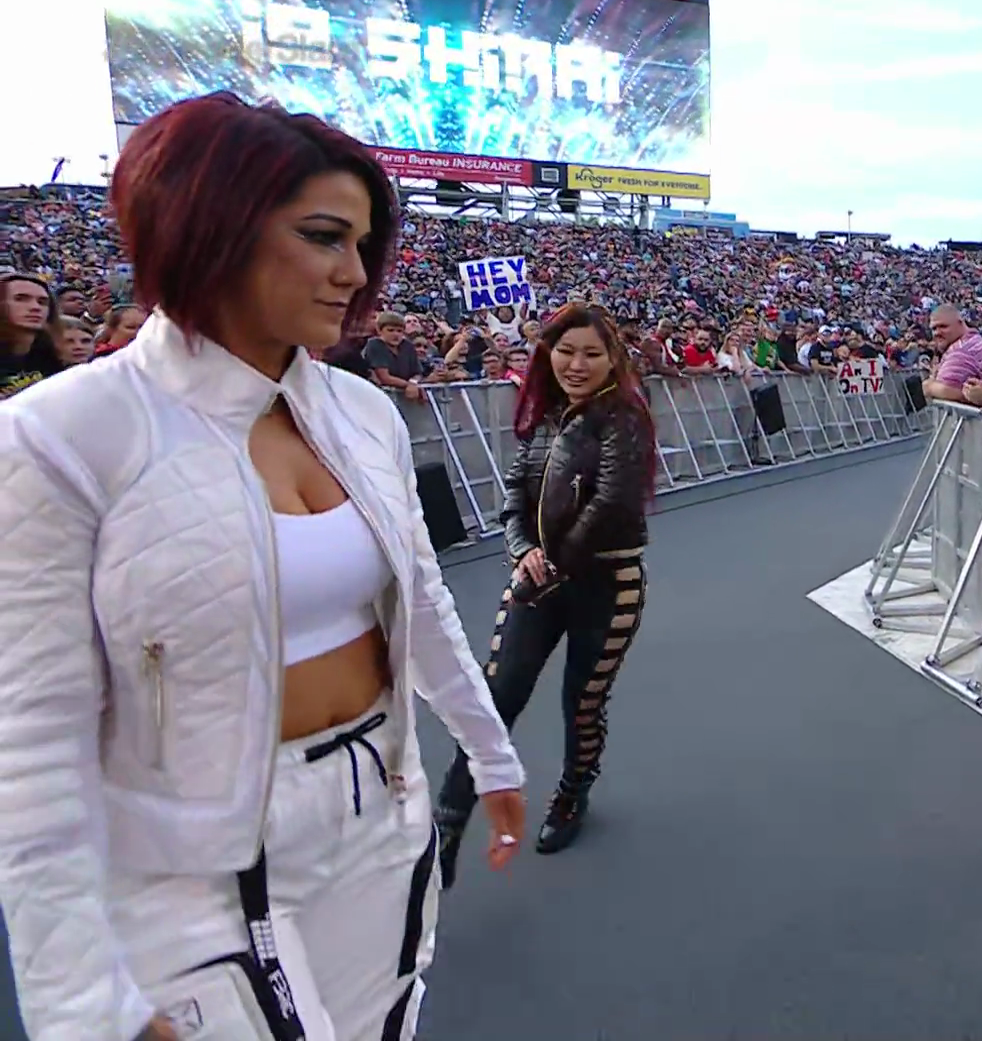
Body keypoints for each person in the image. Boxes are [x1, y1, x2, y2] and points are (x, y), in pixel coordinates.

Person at [0, 91, 526, 1041]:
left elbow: (420, 601)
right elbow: (33, 736)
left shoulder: (362, 414)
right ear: (211, 226)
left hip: (382, 813)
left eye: (362, 244)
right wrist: (80, 1002)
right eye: (323, 237)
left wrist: (488, 751)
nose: (353, 273)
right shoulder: (61, 434)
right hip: (193, 864)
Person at [436, 302, 657, 885]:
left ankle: (573, 793)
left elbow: (611, 504)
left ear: (612, 358)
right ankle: (448, 823)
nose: (576, 364)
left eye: (591, 353)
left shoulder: (625, 416)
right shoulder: (547, 416)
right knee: (496, 696)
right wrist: (522, 552)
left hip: (608, 582)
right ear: (547, 353)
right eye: (565, 351)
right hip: (538, 580)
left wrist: (551, 560)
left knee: (582, 704)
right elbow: (514, 497)